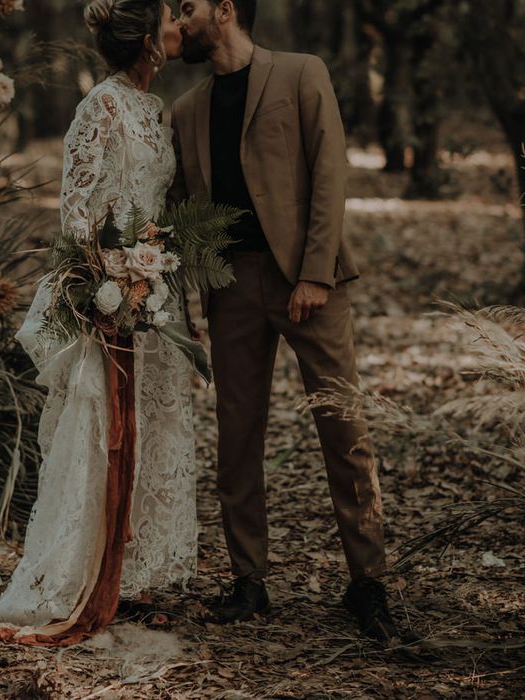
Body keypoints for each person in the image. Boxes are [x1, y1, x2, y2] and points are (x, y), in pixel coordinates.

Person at [169, 0, 399, 642]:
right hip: (232, 287)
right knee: (237, 434)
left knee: (343, 427)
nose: (178, 23)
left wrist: (315, 273)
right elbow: (183, 208)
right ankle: (249, 579)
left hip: (310, 280)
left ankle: (368, 582)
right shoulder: (185, 110)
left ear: (225, 10)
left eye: (186, 8)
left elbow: (330, 172)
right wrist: (188, 296)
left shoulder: (301, 73)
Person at [0, 0, 197, 645]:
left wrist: (154, 271)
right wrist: (115, 276)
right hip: (110, 299)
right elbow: (75, 211)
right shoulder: (101, 106)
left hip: (154, 297)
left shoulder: (154, 108)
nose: (178, 26)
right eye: (169, 18)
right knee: (100, 428)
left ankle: (136, 572)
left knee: (153, 428)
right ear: (147, 42)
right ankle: (78, 570)